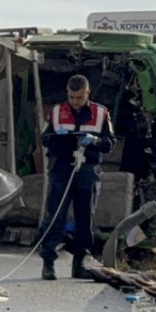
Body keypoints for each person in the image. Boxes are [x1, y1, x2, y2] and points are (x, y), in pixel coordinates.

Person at [39, 74, 114, 280]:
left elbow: (109, 143)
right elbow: (45, 138)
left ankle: (79, 263)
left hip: (87, 170)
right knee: (55, 217)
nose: (75, 102)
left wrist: (95, 141)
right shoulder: (56, 112)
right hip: (61, 169)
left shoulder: (101, 114)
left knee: (84, 219)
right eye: (71, 97)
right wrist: (60, 140)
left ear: (87, 93)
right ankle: (48, 263)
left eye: (79, 97)